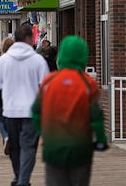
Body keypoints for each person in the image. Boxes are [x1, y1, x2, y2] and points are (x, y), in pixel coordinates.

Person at [31, 36, 108, 186]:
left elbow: (36, 112)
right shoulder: (88, 83)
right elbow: (96, 117)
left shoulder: (49, 81)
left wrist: (43, 133)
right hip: (80, 147)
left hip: (54, 147)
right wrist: (101, 139)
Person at [0, 25, 50, 186]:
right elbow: (46, 87)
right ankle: (23, 180)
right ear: (30, 39)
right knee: (29, 147)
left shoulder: (4, 60)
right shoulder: (38, 60)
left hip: (10, 111)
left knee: (15, 148)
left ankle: (19, 178)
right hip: (32, 112)